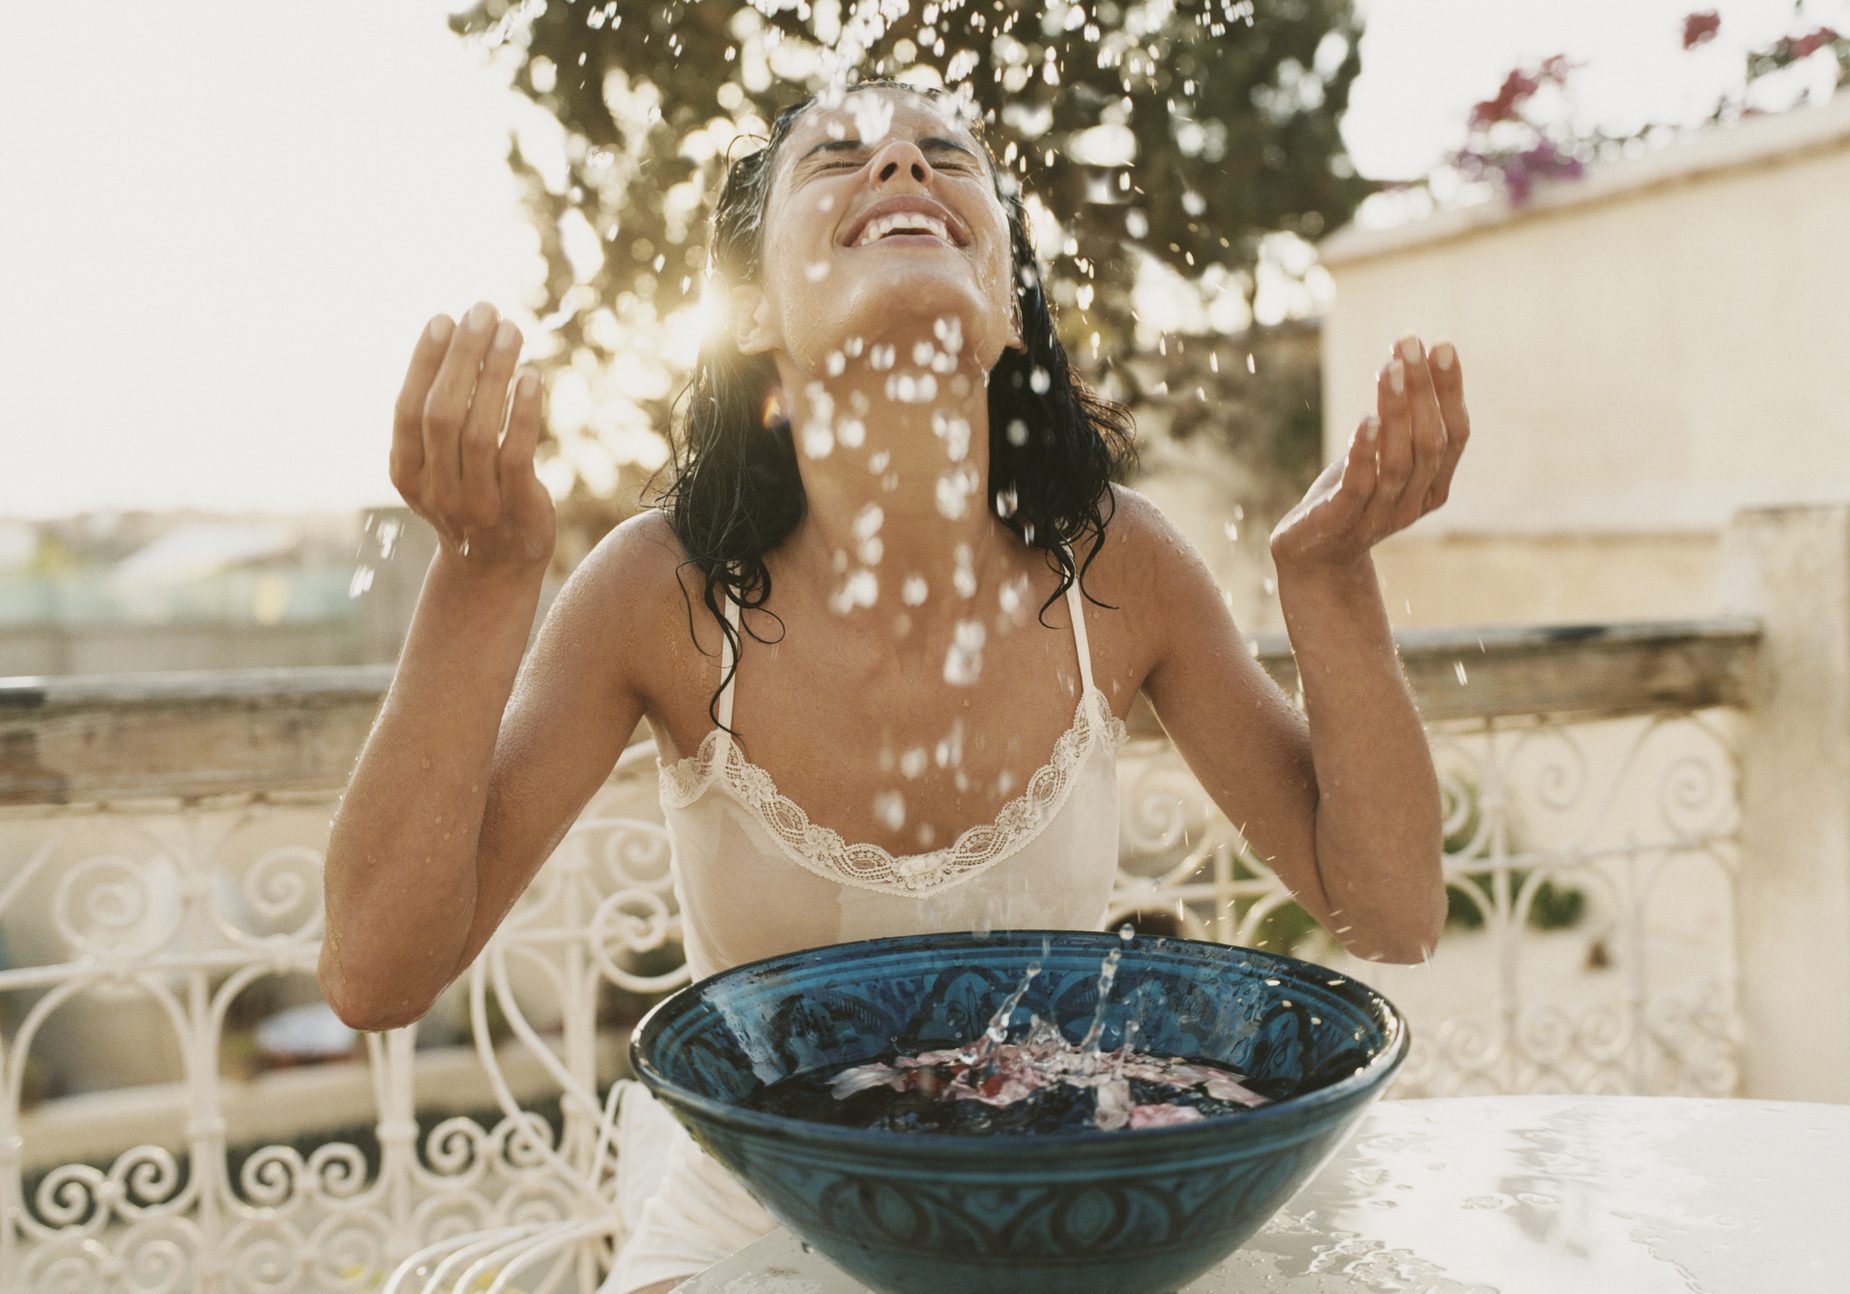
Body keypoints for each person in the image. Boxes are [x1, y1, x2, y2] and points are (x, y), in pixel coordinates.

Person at [320, 80, 1467, 1294]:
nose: (904, 171)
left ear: (1011, 302)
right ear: (751, 307)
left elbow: (1390, 911)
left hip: (1062, 1222)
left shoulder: (1117, 566)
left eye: (945, 155)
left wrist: (1331, 579)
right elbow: (376, 972)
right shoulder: (657, 592)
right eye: (839, 161)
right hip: (748, 1229)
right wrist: (483, 575)